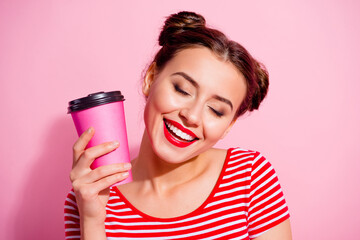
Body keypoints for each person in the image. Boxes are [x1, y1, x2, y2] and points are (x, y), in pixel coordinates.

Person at [64, 11, 291, 240]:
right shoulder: (87, 194)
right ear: (151, 79)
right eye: (182, 90)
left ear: (229, 125)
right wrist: (92, 221)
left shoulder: (250, 177)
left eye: (216, 110)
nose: (192, 116)